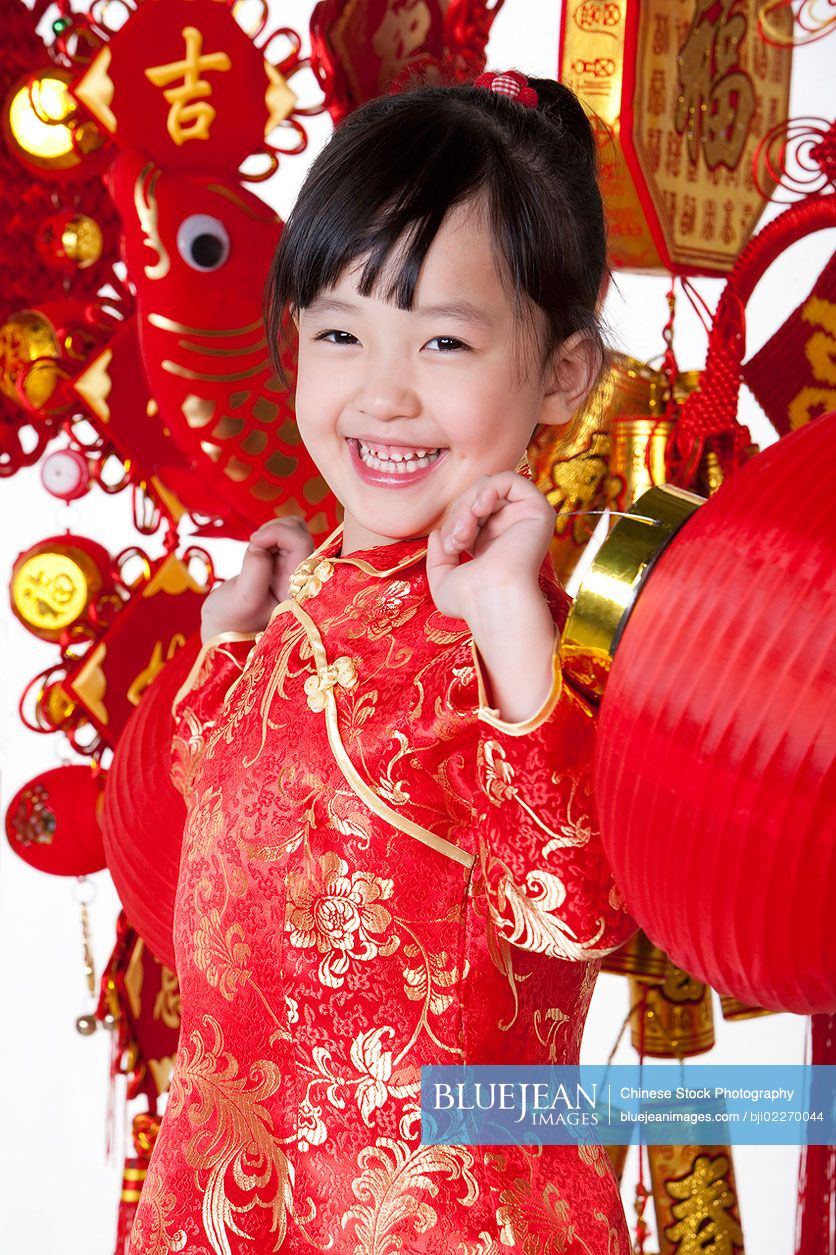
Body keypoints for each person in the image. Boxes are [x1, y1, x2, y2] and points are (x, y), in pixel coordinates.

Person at [130, 71, 638, 1254]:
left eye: (446, 339)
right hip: (235, 1197)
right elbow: (224, 811)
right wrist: (227, 646)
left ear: (559, 372)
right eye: (341, 332)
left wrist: (511, 622)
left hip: (439, 1219)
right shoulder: (315, 595)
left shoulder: (516, 635)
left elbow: (577, 910)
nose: (382, 391)